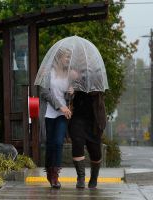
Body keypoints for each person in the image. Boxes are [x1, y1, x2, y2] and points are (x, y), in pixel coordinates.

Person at [40, 47, 73, 189]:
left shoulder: (69, 75)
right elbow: (44, 93)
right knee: (50, 143)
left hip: (62, 114)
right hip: (49, 113)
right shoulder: (48, 73)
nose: (68, 60)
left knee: (59, 143)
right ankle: (49, 169)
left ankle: (55, 175)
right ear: (59, 58)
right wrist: (60, 106)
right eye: (67, 57)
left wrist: (71, 92)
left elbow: (68, 97)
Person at [69, 90, 106, 189]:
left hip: (94, 120)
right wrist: (72, 91)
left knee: (96, 153)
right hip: (78, 118)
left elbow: (101, 93)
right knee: (77, 145)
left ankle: (94, 177)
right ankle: (81, 178)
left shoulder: (97, 78)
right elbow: (65, 95)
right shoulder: (74, 77)